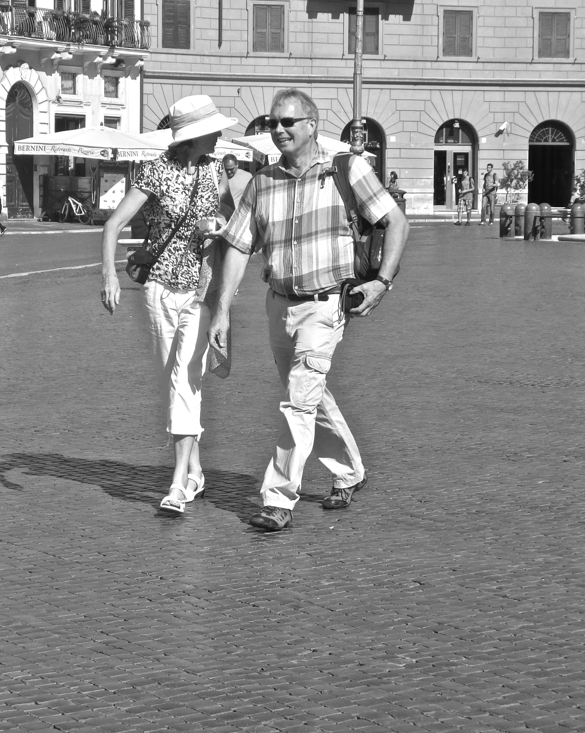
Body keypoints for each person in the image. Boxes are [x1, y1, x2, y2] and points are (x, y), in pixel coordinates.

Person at [208, 89, 409, 532]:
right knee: (309, 398)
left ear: (311, 125)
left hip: (325, 305)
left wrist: (382, 282)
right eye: (272, 123)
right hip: (278, 305)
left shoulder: (347, 169)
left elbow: (396, 221)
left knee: (298, 401)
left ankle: (278, 498)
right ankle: (350, 471)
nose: (278, 130)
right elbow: (239, 246)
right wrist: (221, 310)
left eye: (287, 123)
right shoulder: (263, 181)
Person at [100, 95, 233, 515]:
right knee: (170, 380)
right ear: (193, 136)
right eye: (212, 130)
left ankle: (178, 483)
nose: (218, 134)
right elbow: (113, 224)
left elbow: (231, 218)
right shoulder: (155, 172)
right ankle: (195, 470)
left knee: (185, 379)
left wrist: (216, 227)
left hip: (200, 289)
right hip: (158, 288)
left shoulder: (216, 171)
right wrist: (108, 275)